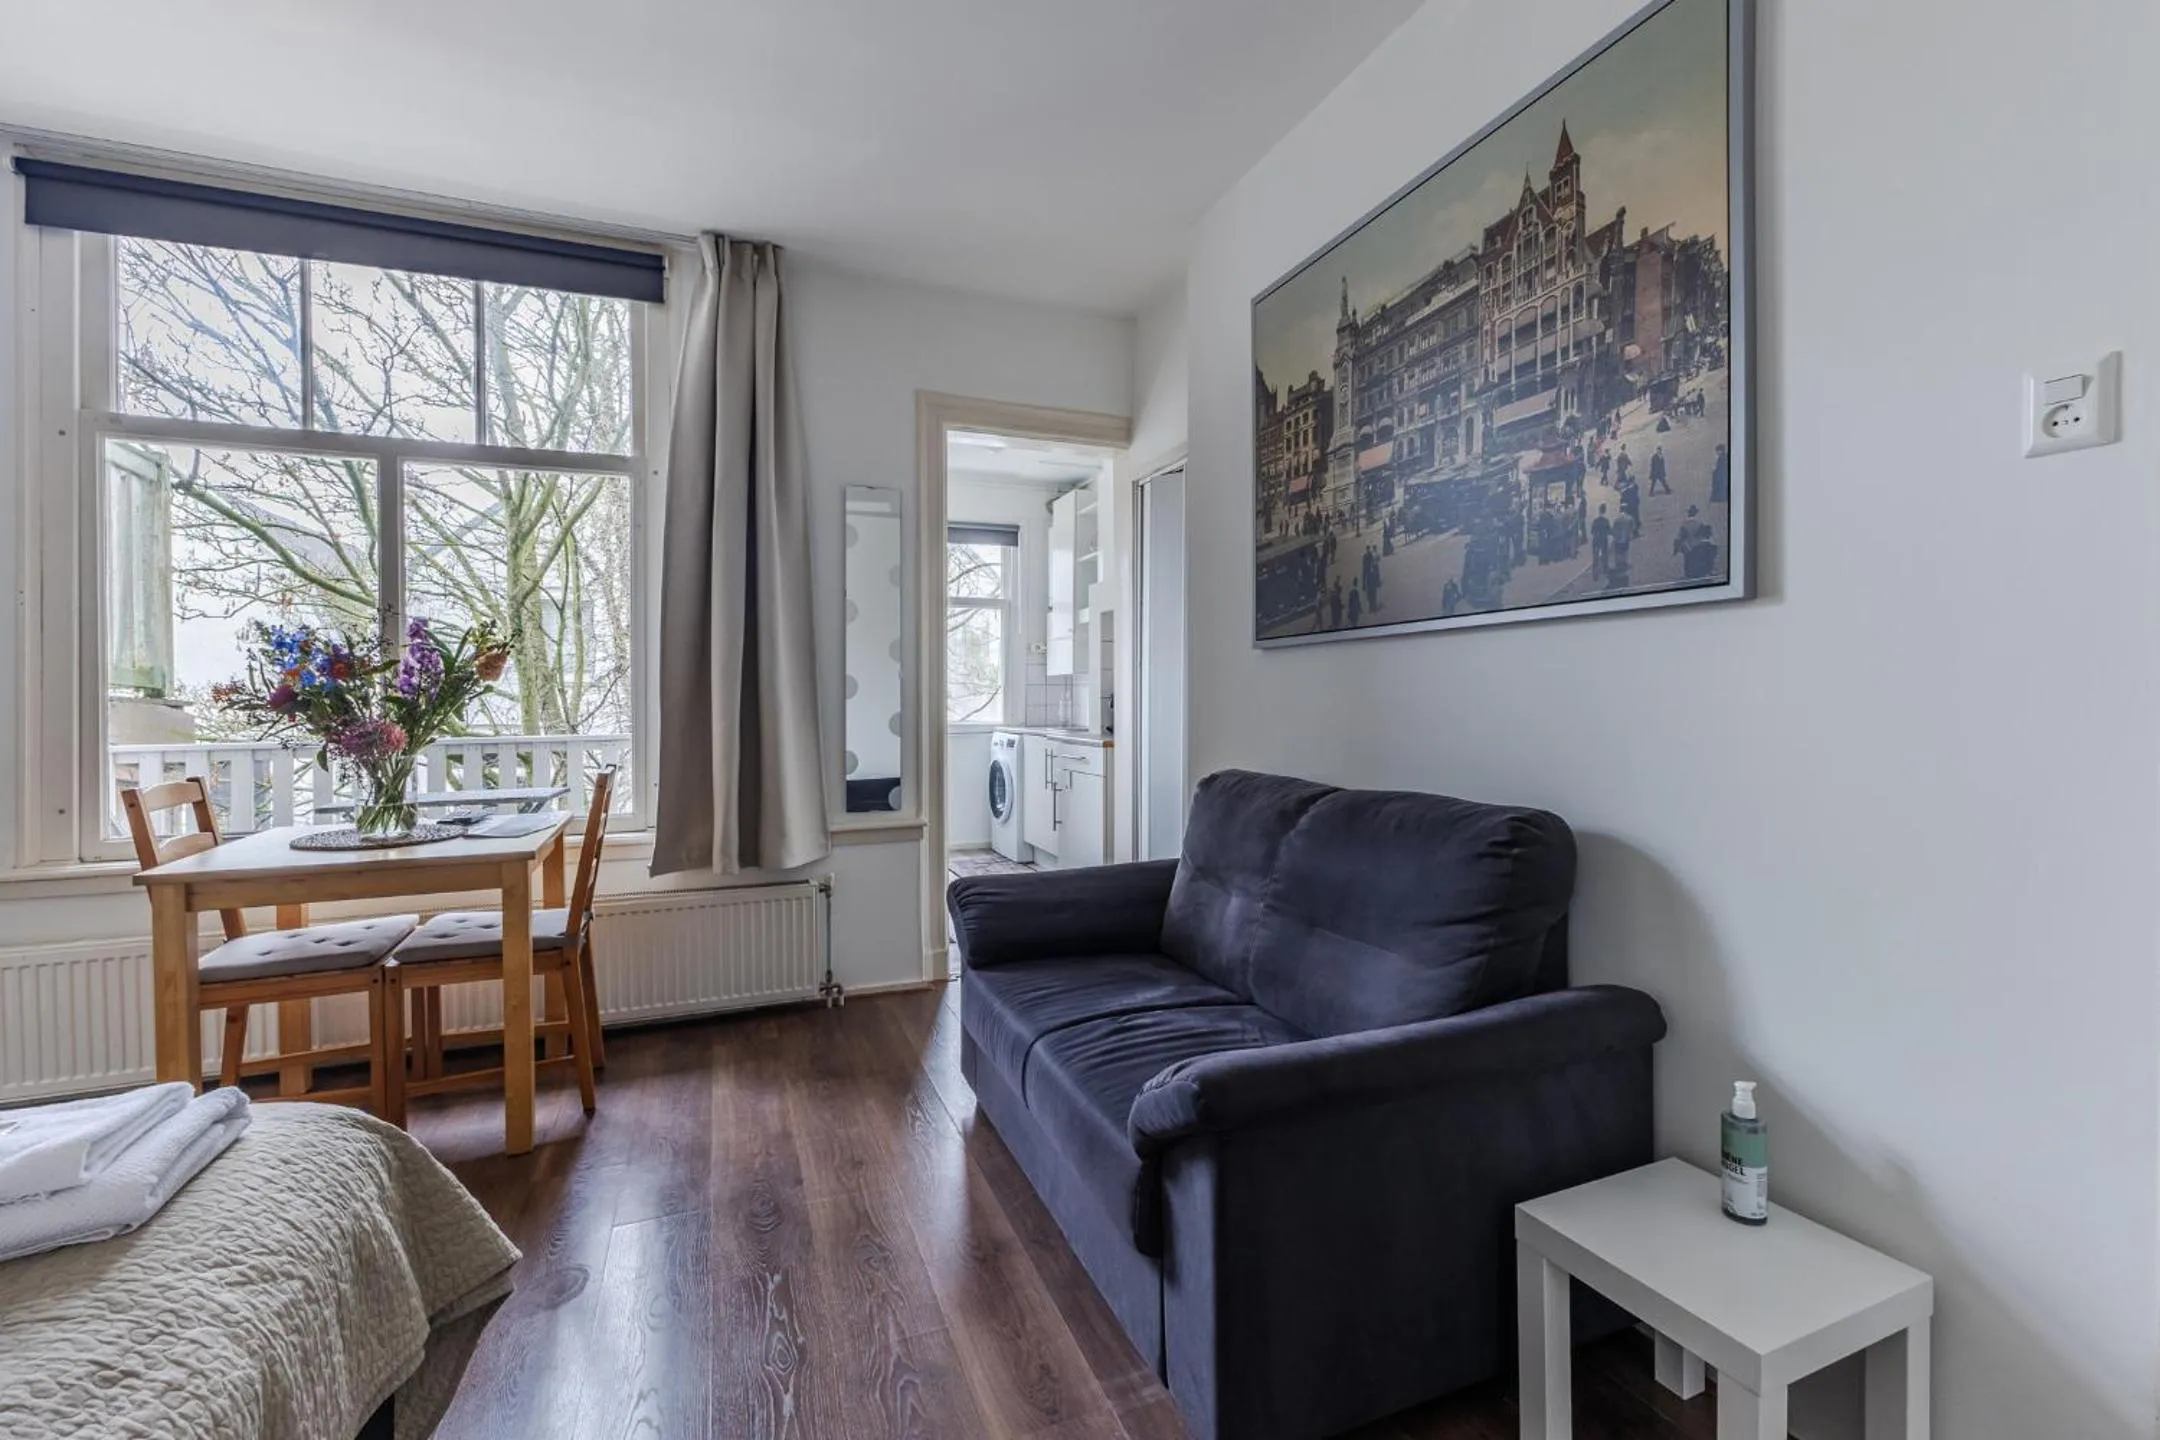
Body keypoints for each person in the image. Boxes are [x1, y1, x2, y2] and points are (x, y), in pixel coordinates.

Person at [1675, 504, 1719, 579]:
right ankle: (1708, 571)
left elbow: (1680, 537)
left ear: (1688, 514)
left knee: (1687, 558)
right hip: (1699, 545)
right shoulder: (1699, 523)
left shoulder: (1684, 524)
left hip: (1689, 546)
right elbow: (1705, 534)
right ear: (1696, 513)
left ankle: (1687, 573)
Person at [1591, 505, 1612, 580]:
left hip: (1596, 539)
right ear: (1605, 510)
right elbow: (1609, 531)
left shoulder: (1595, 520)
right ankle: (1605, 568)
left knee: (1595, 556)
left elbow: (1592, 531)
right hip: (1603, 539)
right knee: (1605, 554)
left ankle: (1595, 569)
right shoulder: (1606, 520)